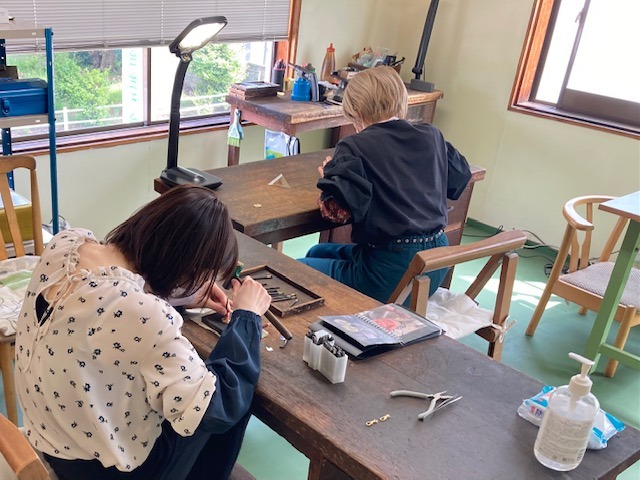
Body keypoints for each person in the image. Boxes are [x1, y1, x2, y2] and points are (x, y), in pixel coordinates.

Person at [14, 185, 271, 480]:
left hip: (56, 439)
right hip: (103, 470)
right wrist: (247, 316)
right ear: (187, 270)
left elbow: (113, 313)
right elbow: (218, 408)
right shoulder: (145, 314)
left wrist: (182, 293)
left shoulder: (65, 244)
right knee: (230, 392)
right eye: (202, 277)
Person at [299, 66, 471, 303]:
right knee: (317, 251)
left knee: (296, 269)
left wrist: (330, 178)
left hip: (392, 271)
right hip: (435, 263)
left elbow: (337, 213)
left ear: (356, 110)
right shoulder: (432, 135)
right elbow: (459, 179)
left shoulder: (354, 146)